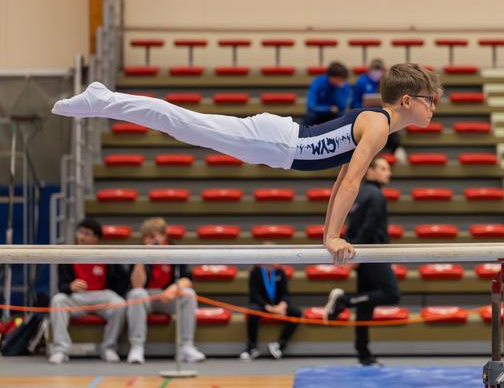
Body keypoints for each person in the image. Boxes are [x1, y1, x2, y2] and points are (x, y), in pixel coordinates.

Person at [52, 63, 442, 264]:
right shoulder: (378, 124)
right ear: (407, 100)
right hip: (274, 141)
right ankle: (102, 99)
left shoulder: (380, 127)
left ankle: (104, 100)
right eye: (430, 99)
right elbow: (353, 183)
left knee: (182, 126)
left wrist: (328, 236)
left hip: (275, 147)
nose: (434, 107)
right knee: (180, 123)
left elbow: (342, 183)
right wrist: (331, 237)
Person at [322, 156, 400, 366]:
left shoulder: (360, 193)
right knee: (391, 294)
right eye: (383, 169)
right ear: (371, 171)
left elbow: (352, 224)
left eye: (388, 169)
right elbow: (369, 226)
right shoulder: (376, 195)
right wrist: (357, 253)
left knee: (365, 306)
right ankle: (344, 301)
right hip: (373, 253)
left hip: (362, 251)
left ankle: (363, 353)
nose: (388, 173)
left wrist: (353, 249)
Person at [48, 218, 129, 364]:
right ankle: (60, 350)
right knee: (58, 300)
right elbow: (62, 286)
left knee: (120, 303)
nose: (82, 237)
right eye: (80, 232)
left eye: (87, 234)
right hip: (78, 298)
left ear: (96, 238)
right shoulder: (67, 255)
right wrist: (70, 286)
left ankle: (109, 348)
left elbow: (123, 278)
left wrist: (114, 292)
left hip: (102, 296)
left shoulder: (107, 255)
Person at [125, 217, 205, 364]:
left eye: (153, 236)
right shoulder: (138, 251)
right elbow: (137, 285)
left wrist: (173, 289)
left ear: (163, 236)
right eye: (146, 237)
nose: (150, 241)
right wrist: (142, 257)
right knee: (136, 294)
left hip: (168, 296)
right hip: (147, 297)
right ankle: (137, 347)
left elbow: (187, 279)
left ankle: (186, 346)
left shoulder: (175, 251)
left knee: (189, 294)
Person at [240, 264, 301, 361]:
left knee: (296, 313)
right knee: (252, 312)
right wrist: (268, 307)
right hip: (262, 305)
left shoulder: (280, 272)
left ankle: (279, 345)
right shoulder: (255, 272)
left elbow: (286, 293)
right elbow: (254, 294)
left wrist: (282, 305)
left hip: (278, 305)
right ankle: (252, 348)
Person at [350, 59, 405, 163]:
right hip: (364, 113)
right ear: (369, 70)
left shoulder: (387, 83)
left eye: (379, 71)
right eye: (374, 70)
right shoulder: (362, 82)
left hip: (382, 113)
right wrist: (363, 106)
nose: (376, 74)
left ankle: (397, 148)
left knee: (390, 121)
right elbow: (354, 103)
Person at [303, 61, 351, 126]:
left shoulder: (343, 86)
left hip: (333, 115)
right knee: (310, 115)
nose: (342, 81)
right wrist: (328, 109)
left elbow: (342, 106)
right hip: (318, 113)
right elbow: (311, 105)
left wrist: (339, 89)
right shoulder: (318, 82)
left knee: (342, 115)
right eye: (339, 79)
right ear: (331, 77)